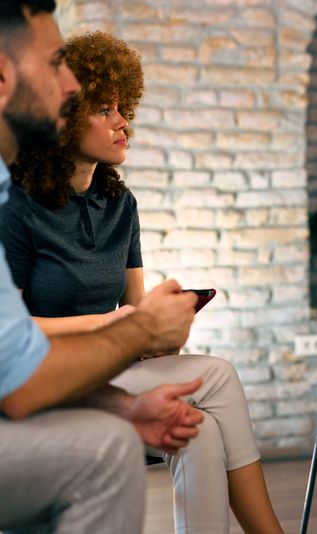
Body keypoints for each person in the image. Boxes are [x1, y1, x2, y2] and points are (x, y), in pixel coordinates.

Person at [0, 30, 284, 534]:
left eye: (122, 107)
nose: (122, 122)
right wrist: (118, 325)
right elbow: (15, 333)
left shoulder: (119, 205)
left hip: (113, 366)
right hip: (51, 374)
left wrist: (164, 332)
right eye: (104, 109)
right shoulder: (18, 207)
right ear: (64, 117)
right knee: (218, 376)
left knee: (198, 430)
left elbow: (136, 312)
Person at [0, 1, 204, 532]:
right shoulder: (14, 205)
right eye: (53, 64)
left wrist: (133, 372)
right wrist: (131, 329)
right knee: (107, 450)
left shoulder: (116, 202)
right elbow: (19, 375)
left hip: (66, 375)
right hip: (43, 384)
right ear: (2, 79)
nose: (68, 86)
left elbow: (9, 360)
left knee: (206, 390)